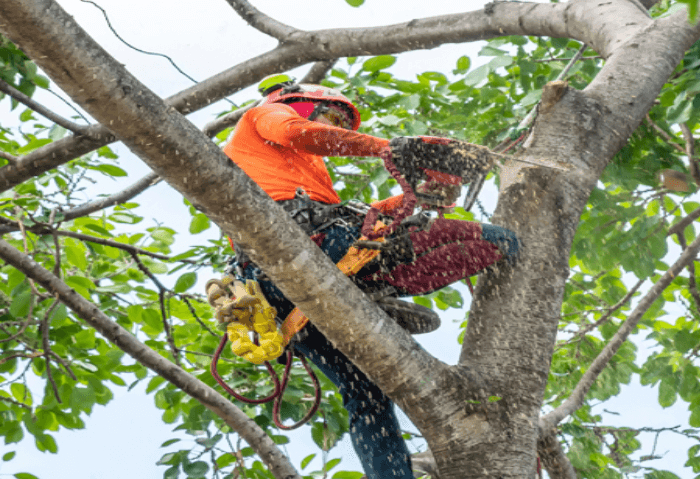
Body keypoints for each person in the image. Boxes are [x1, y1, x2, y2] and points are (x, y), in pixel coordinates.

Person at [220, 75, 519, 479]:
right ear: (302, 103)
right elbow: (300, 133)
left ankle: (375, 289)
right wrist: (390, 147)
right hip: (311, 249)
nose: (337, 130)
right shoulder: (268, 114)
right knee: (498, 239)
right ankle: (375, 284)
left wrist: (425, 192)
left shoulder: (302, 176)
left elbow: (362, 214)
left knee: (368, 398)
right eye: (331, 117)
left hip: (294, 285)